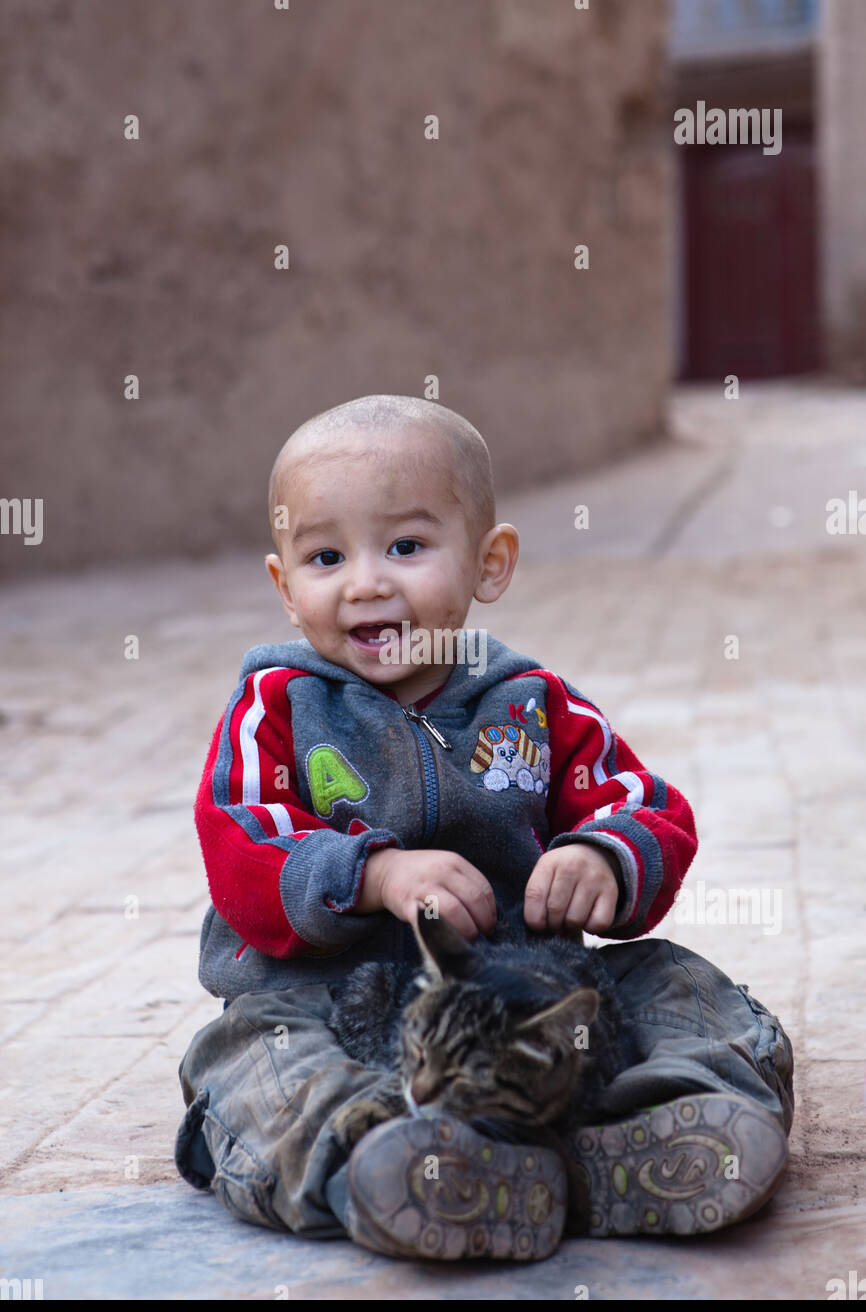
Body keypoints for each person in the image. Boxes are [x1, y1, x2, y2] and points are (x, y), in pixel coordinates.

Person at [174, 394, 794, 1261]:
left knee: (677, 985)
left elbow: (642, 802)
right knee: (253, 1061)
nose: (366, 582)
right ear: (285, 588)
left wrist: (602, 856)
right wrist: (374, 875)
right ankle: (386, 1161)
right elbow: (240, 837)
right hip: (323, 995)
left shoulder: (530, 702)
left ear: (488, 564)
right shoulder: (278, 707)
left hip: (519, 1000)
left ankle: (660, 1131)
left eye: (406, 546)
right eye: (325, 555)